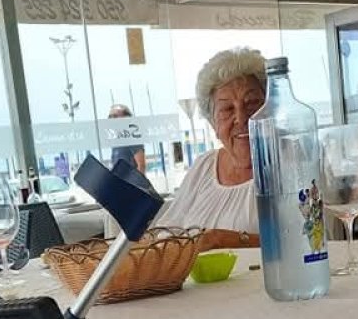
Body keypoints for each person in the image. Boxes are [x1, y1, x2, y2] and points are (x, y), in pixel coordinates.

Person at [153, 47, 263, 251]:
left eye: (251, 104)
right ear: (213, 123)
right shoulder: (204, 166)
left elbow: (309, 241)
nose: (241, 118)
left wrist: (223, 240)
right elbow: (164, 234)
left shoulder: (291, 166)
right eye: (227, 109)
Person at [107, 104, 147, 174]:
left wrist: (136, 184)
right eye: (110, 117)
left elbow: (141, 166)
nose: (112, 119)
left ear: (126, 117)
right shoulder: (118, 140)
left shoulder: (131, 138)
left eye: (115, 116)